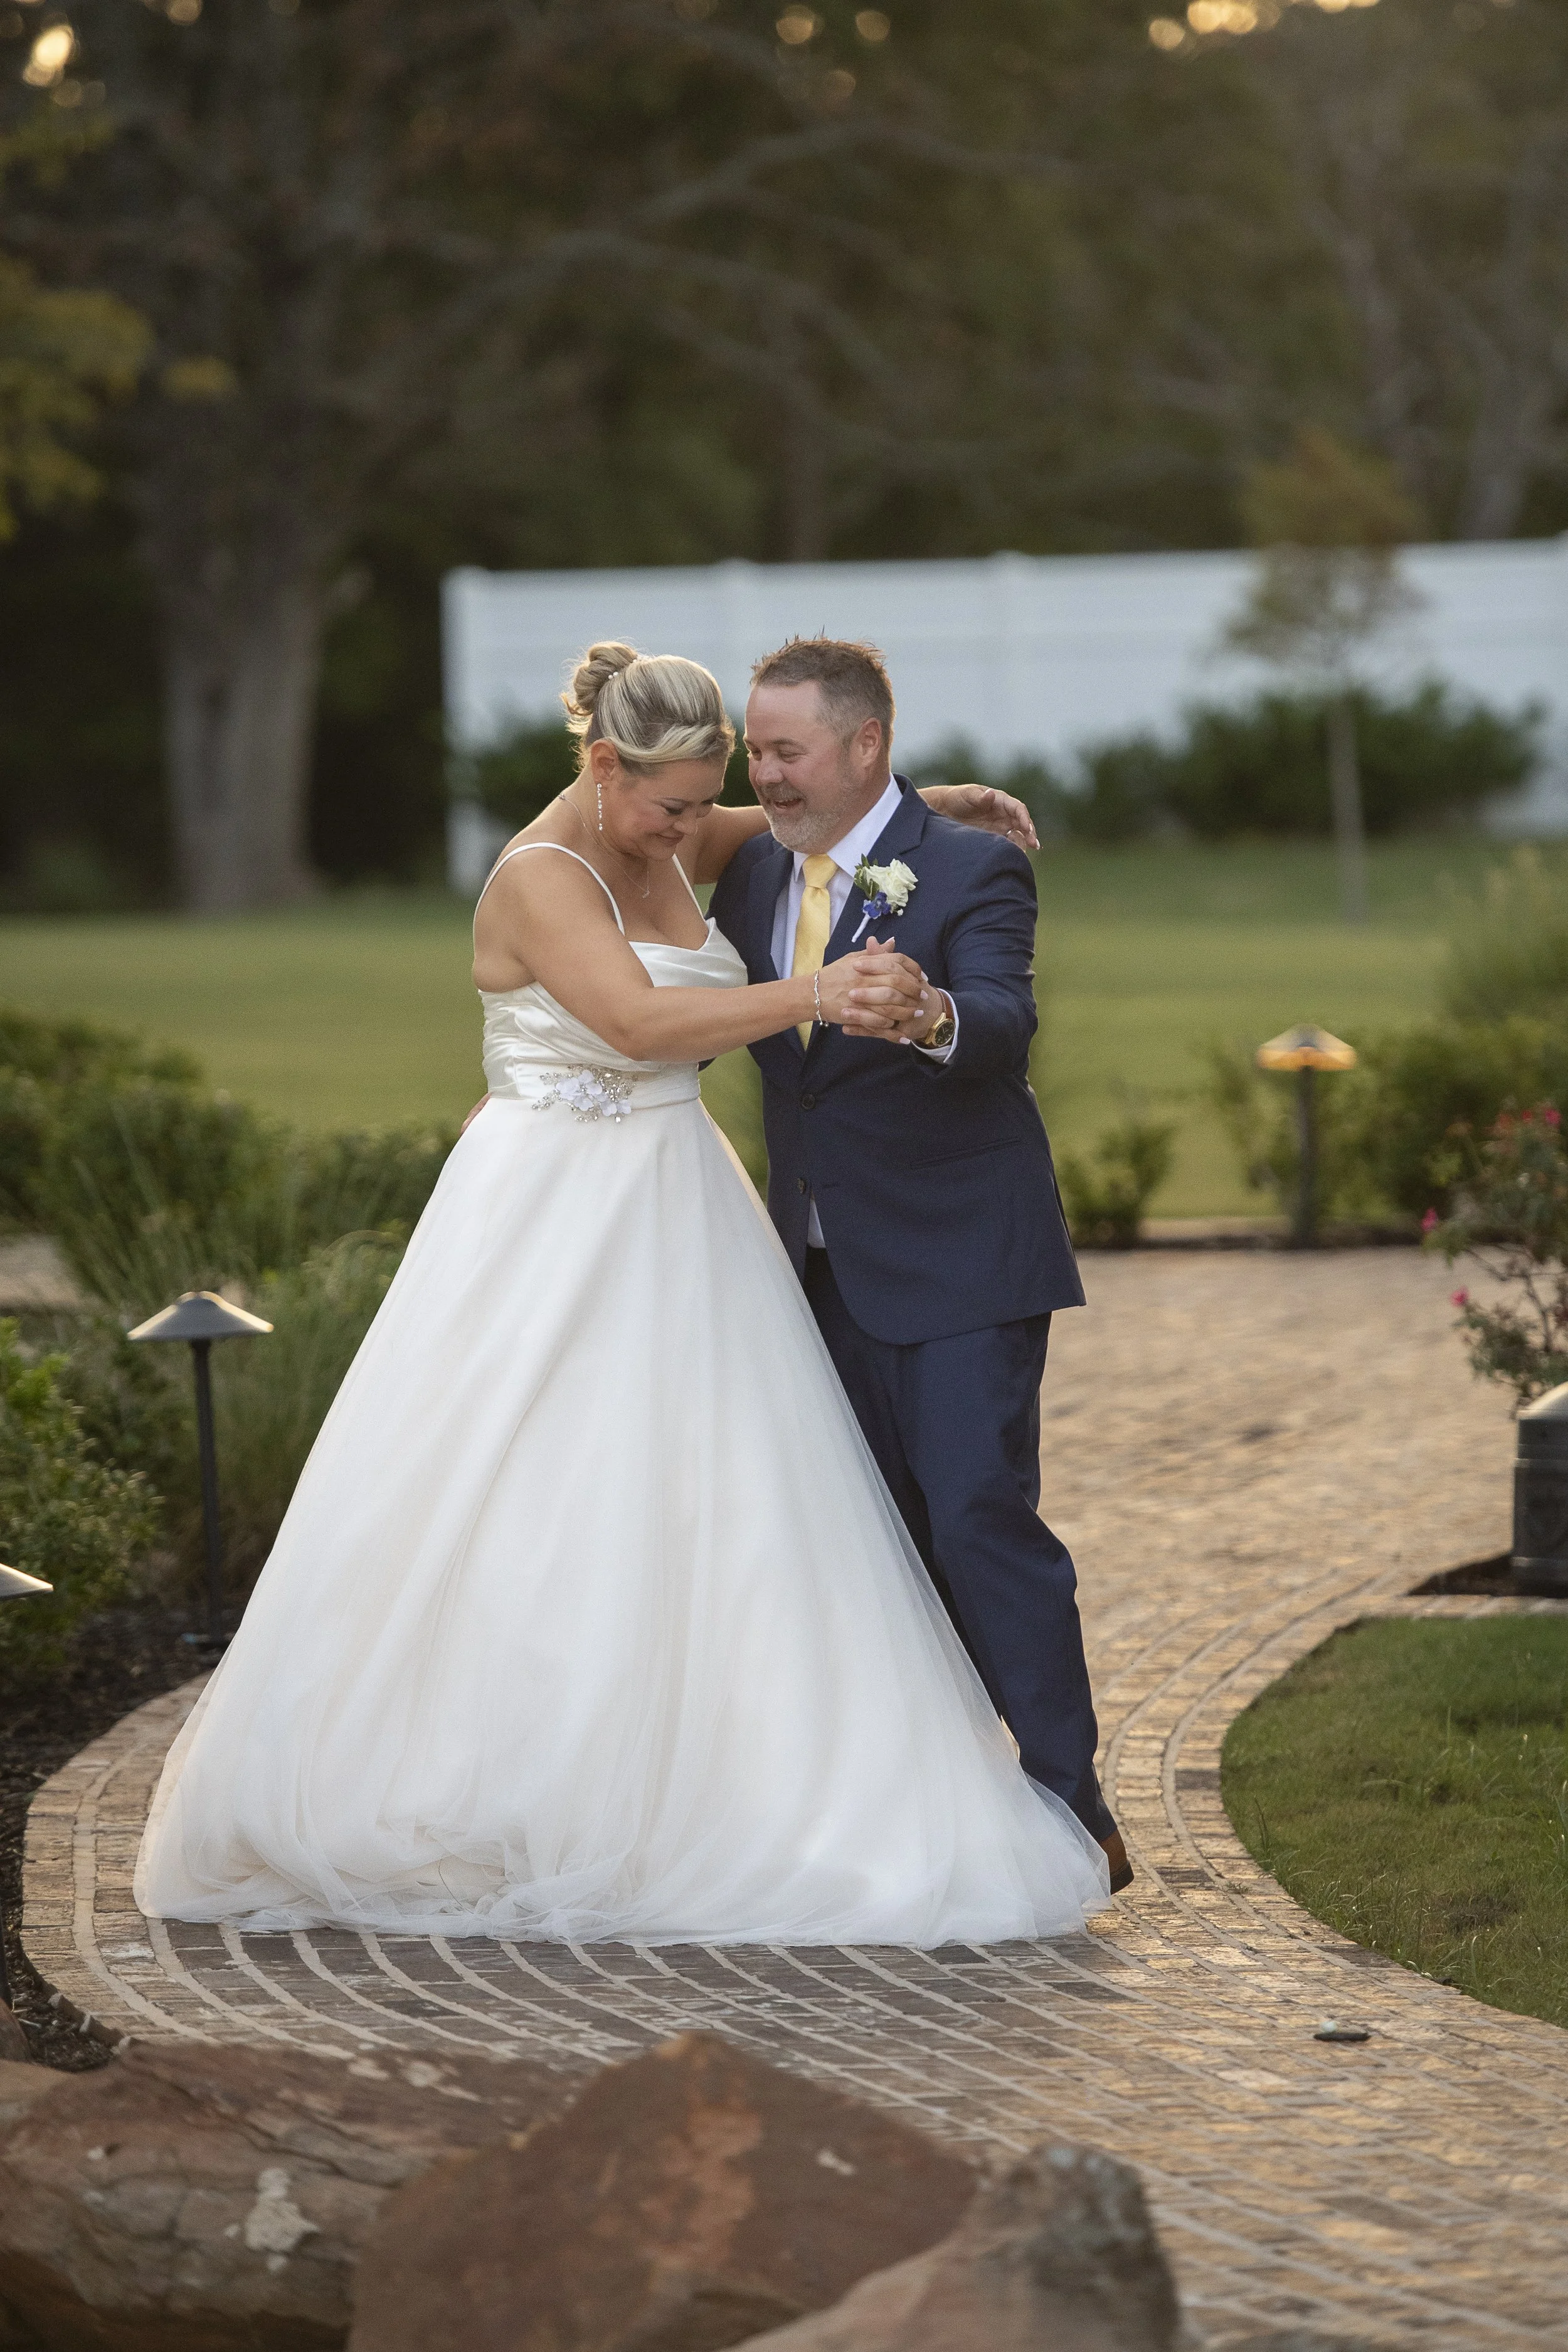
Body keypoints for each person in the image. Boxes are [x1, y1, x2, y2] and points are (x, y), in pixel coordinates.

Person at [134, 642, 1111, 1946]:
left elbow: (834, 817)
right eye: (681, 801)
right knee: (542, 1494)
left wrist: (950, 816)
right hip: (552, 1210)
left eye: (724, 790)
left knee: (763, 1506)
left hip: (703, 1209)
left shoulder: (685, 833)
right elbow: (640, 1029)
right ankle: (534, 1784)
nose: (708, 820)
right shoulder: (546, 875)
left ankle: (957, 1788)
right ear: (604, 768)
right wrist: (818, 990)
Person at [711, 637, 1129, 1890]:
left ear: (864, 746)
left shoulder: (971, 869)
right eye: (754, 751)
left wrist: (930, 1013)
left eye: (786, 752)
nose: (765, 775)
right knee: (865, 1548)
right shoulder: (745, 877)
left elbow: (1002, 1019)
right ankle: (916, 1810)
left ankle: (1072, 1810)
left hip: (962, 1263)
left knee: (976, 1521)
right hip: (813, 1273)